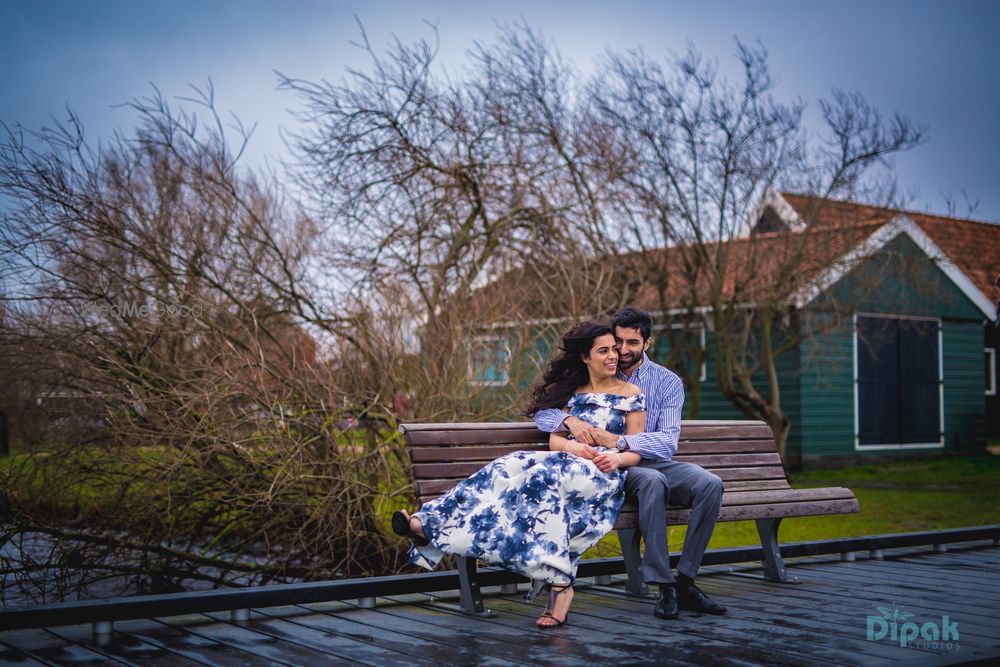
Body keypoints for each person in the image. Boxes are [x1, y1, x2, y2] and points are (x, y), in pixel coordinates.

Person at [392, 320, 646, 628]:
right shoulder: (572, 394)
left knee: (544, 477)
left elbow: (636, 447)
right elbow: (554, 443)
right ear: (585, 357)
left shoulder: (631, 393)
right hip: (566, 463)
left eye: (614, 350)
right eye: (603, 351)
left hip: (601, 475)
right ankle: (425, 522)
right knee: (507, 464)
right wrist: (571, 442)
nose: (613, 357)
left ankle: (560, 583)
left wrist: (616, 459)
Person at [534, 307, 727, 619]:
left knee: (710, 484)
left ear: (647, 344)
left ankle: (686, 581)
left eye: (631, 344)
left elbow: (667, 441)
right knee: (652, 482)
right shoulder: (598, 368)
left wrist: (620, 442)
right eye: (617, 342)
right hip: (613, 470)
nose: (622, 351)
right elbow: (544, 412)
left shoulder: (667, 382)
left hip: (649, 460)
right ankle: (663, 585)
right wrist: (568, 419)